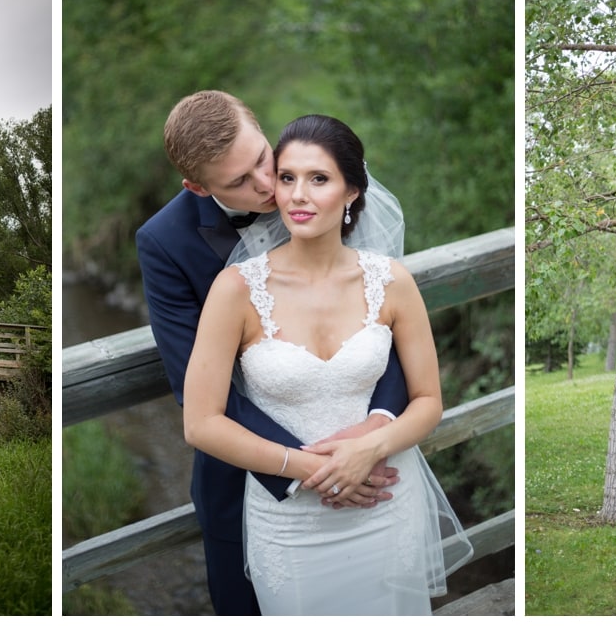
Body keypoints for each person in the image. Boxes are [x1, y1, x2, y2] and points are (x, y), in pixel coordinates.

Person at [136, 92, 412, 615]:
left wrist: (376, 427)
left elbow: (384, 327)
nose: (269, 187)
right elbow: (192, 386)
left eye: (262, 158)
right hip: (247, 481)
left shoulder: (311, 178)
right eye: (238, 182)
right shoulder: (164, 243)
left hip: (369, 468)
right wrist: (307, 468)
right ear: (197, 186)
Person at [182, 113, 470, 615]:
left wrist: (371, 448)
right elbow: (201, 423)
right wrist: (313, 469)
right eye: (288, 177)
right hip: (292, 521)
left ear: (352, 190)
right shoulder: (236, 291)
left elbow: (427, 401)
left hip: (384, 500)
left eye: (319, 179)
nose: (297, 195)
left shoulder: (392, 281)